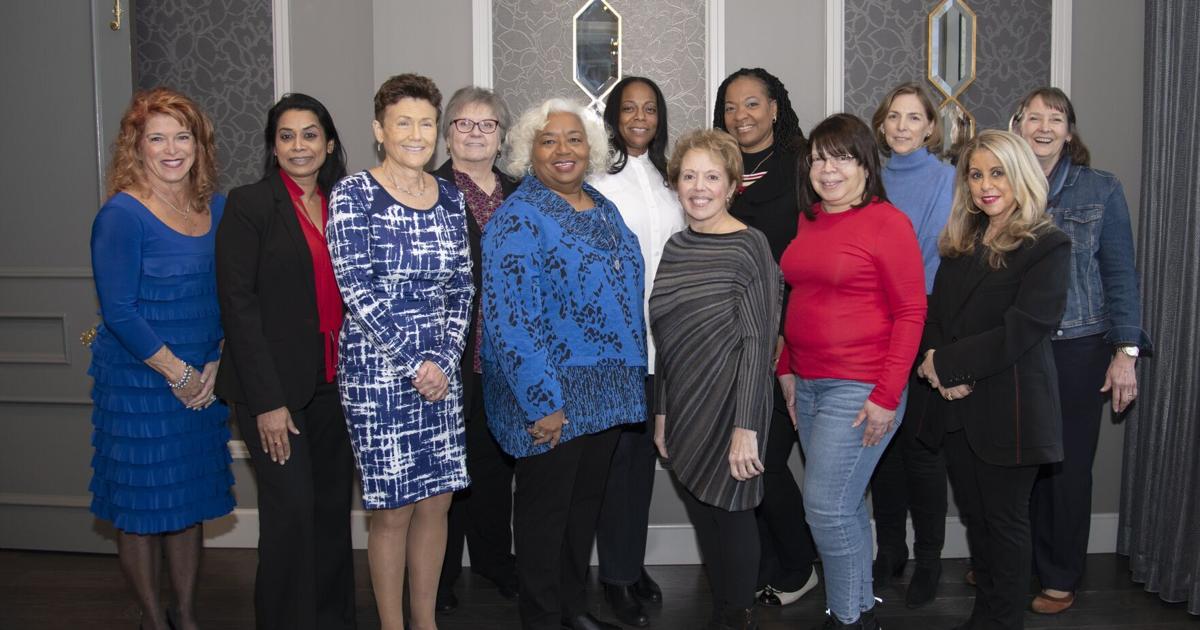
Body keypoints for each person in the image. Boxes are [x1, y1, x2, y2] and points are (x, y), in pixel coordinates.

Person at [482, 98, 646, 630]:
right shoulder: (517, 219)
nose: (563, 150)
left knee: (582, 511)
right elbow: (511, 322)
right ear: (529, 153)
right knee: (544, 516)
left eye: (574, 139)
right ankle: (544, 616)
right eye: (548, 140)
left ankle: (573, 608)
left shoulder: (603, 207)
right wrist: (543, 402)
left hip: (605, 391)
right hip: (550, 392)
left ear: (590, 148)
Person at [326, 74, 473, 630]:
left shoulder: (451, 198)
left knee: (436, 502)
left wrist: (443, 357)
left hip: (441, 369)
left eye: (426, 123)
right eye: (403, 122)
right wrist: (415, 363)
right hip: (379, 374)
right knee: (392, 511)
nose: (417, 134)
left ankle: (425, 620)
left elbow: (462, 284)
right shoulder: (354, 194)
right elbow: (357, 290)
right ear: (379, 130)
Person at [87, 87, 234, 630]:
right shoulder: (120, 216)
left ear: (199, 145)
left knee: (187, 500)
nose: (171, 149)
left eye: (182, 136)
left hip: (205, 376)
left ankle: (188, 614)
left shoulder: (217, 208)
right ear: (137, 146)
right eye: (157, 138)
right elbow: (120, 311)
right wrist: (178, 372)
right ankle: (153, 617)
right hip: (140, 383)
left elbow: (230, 293)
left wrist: (216, 361)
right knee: (143, 508)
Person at [914, 129, 1071, 630]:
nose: (985, 185)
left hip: (1012, 412)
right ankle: (985, 618)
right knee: (979, 525)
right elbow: (935, 317)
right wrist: (939, 366)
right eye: (976, 174)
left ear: (1020, 174)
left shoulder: (1047, 244)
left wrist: (948, 365)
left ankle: (1003, 623)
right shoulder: (960, 243)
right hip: (958, 411)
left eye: (997, 172)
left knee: (1004, 527)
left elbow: (1022, 329)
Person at [777, 113, 926, 630]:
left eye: (840, 156)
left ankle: (844, 618)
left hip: (862, 385)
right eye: (818, 158)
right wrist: (787, 368)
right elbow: (798, 296)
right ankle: (860, 608)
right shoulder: (811, 219)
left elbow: (911, 313)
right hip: (810, 384)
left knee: (824, 508)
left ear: (865, 162)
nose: (827, 169)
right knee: (845, 507)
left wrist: (887, 396)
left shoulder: (889, 223)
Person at [215, 93, 355, 630]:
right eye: (287, 136)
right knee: (290, 514)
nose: (300, 146)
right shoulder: (249, 204)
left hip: (336, 384)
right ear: (273, 147)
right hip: (272, 391)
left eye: (310, 134)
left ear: (330, 143)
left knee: (329, 513)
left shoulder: (345, 201)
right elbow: (239, 307)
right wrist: (268, 404)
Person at [1011, 87, 1153, 615]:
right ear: (1018, 125)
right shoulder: (998, 184)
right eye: (1033, 118)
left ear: (1070, 132)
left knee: (1065, 468)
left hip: (1078, 347)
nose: (1043, 127)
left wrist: (1126, 353)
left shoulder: (1101, 189)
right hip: (1014, 349)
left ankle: (1060, 574)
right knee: (1015, 462)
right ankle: (1014, 563)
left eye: (1056, 118)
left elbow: (1120, 275)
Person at [650, 129, 780, 630]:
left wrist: (747, 426)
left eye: (711, 177)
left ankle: (735, 616)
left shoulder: (751, 247)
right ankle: (724, 610)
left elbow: (759, 343)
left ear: (731, 186)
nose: (699, 187)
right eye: (689, 176)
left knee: (731, 514)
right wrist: (662, 413)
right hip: (683, 405)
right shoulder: (676, 246)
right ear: (676, 184)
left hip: (732, 405)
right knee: (705, 515)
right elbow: (667, 336)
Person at [712, 67, 819, 608]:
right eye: (731, 106)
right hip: (730, 340)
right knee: (743, 462)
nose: (741, 116)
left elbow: (819, 255)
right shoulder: (717, 169)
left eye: (752, 104)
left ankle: (800, 563)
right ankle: (771, 562)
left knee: (768, 461)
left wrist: (786, 329)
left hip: (789, 342)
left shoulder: (804, 167)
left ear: (776, 108)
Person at [591, 76, 685, 628]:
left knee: (645, 463)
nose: (640, 117)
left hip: (662, 343)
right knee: (619, 466)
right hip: (613, 348)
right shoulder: (598, 178)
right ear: (614, 115)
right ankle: (616, 576)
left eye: (650, 109)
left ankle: (631, 562)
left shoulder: (671, 177)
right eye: (630, 108)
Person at [866, 82, 955, 607]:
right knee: (883, 447)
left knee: (923, 449)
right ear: (881, 124)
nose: (901, 126)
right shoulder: (869, 178)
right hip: (873, 322)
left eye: (913, 118)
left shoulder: (946, 179)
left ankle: (929, 561)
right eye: (893, 117)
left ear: (930, 127)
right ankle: (890, 550)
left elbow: (934, 251)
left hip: (922, 319)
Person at [432, 86, 520, 612]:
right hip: (450, 356)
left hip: (505, 359)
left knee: (495, 467)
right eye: (464, 124)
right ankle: (439, 575)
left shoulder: (521, 192)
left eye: (486, 125)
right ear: (447, 134)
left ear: (502, 137)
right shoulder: (428, 189)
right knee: (449, 470)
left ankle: (493, 559)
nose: (475, 134)